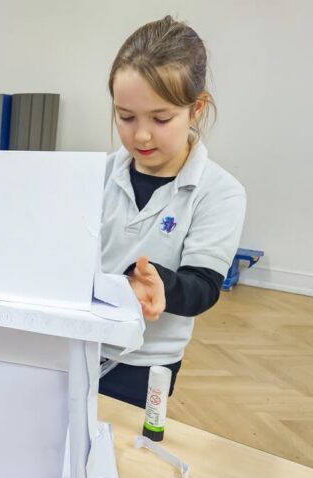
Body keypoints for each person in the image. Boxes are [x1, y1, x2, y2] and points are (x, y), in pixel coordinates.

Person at [99, 16, 246, 408]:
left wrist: (163, 284)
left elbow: (203, 286)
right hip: (77, 341)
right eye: (125, 117)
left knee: (129, 456)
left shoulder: (220, 192)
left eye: (161, 119)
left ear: (196, 108)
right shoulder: (97, 175)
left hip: (146, 362)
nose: (141, 135)